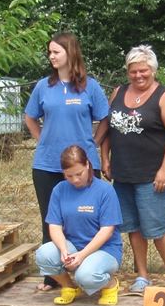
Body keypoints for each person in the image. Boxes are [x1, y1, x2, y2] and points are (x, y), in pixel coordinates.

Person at [24, 31, 110, 292]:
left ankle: (89, 271)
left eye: (56, 52)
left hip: (84, 165)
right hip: (47, 165)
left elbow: (105, 119)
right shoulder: (43, 86)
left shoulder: (90, 87)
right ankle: (54, 278)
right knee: (51, 221)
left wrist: (93, 142)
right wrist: (43, 139)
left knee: (86, 218)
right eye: (49, 52)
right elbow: (30, 117)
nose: (51, 56)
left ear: (70, 53)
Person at [101, 45, 165, 294]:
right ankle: (142, 275)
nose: (138, 75)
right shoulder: (118, 92)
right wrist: (105, 158)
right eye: (133, 71)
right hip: (122, 173)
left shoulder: (164, 96)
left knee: (157, 227)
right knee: (133, 227)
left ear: (153, 70)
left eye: (143, 71)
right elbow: (108, 128)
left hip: (151, 175)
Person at [34, 145, 123, 306]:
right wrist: (63, 250)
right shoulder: (59, 190)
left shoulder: (105, 190)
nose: (75, 179)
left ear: (87, 165)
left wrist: (82, 255)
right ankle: (69, 287)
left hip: (105, 250)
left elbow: (107, 230)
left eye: (79, 174)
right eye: (69, 176)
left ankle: (110, 285)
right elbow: (54, 225)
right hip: (73, 247)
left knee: (85, 276)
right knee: (43, 254)